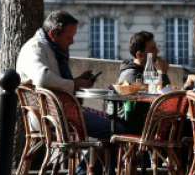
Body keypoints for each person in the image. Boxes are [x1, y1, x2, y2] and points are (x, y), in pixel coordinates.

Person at [17, 10, 112, 140]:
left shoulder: (49, 48)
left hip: (60, 112)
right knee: (115, 129)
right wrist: (74, 84)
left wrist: (77, 81)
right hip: (52, 116)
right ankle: (90, 161)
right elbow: (42, 78)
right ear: (54, 33)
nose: (72, 42)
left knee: (114, 124)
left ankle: (91, 161)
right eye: (69, 37)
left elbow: (53, 81)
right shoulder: (35, 47)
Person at [117, 31, 172, 134]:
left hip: (152, 123)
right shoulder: (131, 75)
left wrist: (162, 74)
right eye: (152, 49)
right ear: (140, 55)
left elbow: (167, 96)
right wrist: (163, 73)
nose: (157, 51)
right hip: (137, 126)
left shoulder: (149, 70)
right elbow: (160, 98)